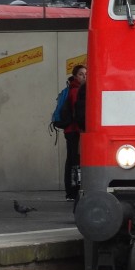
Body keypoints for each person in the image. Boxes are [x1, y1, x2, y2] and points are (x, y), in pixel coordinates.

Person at [61, 64, 87, 202]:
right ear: (75, 76)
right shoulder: (76, 91)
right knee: (74, 162)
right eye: (81, 74)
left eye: (86, 74)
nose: (84, 76)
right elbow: (79, 113)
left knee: (71, 161)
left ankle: (71, 191)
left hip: (71, 131)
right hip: (75, 131)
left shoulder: (72, 88)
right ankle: (72, 192)